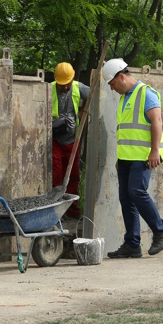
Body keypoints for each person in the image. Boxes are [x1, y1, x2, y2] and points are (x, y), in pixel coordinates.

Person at [101, 59, 163, 259]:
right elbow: (125, 130)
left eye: (112, 84)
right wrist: (119, 158)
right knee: (126, 197)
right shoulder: (125, 97)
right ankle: (132, 244)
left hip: (144, 156)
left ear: (121, 76)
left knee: (136, 191)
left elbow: (156, 121)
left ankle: (161, 230)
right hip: (126, 157)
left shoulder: (146, 93)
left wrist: (154, 151)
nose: (112, 88)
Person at [51, 62, 90, 218]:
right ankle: (55, 209)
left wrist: (82, 110)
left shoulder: (78, 87)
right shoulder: (49, 88)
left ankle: (72, 210)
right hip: (54, 139)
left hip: (72, 139)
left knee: (73, 175)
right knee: (56, 174)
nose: (65, 87)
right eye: (62, 85)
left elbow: (94, 92)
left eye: (67, 84)